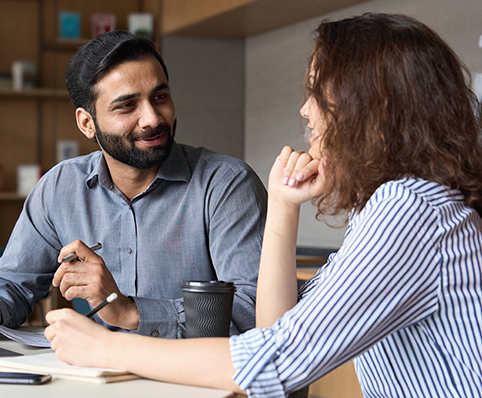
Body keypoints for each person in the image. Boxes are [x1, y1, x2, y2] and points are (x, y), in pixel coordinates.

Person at [42, 13, 482, 397]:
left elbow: (274, 362)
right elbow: (275, 330)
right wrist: (284, 208)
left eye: (317, 91)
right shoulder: (396, 206)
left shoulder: (410, 209)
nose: (306, 111)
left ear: (366, 105)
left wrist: (106, 345)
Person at [0, 31, 267, 339]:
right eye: (127, 106)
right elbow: (13, 280)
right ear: (87, 123)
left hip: (204, 381)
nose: (153, 118)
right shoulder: (60, 187)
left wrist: (131, 312)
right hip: (102, 377)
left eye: (160, 96)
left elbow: (258, 310)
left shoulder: (226, 184)